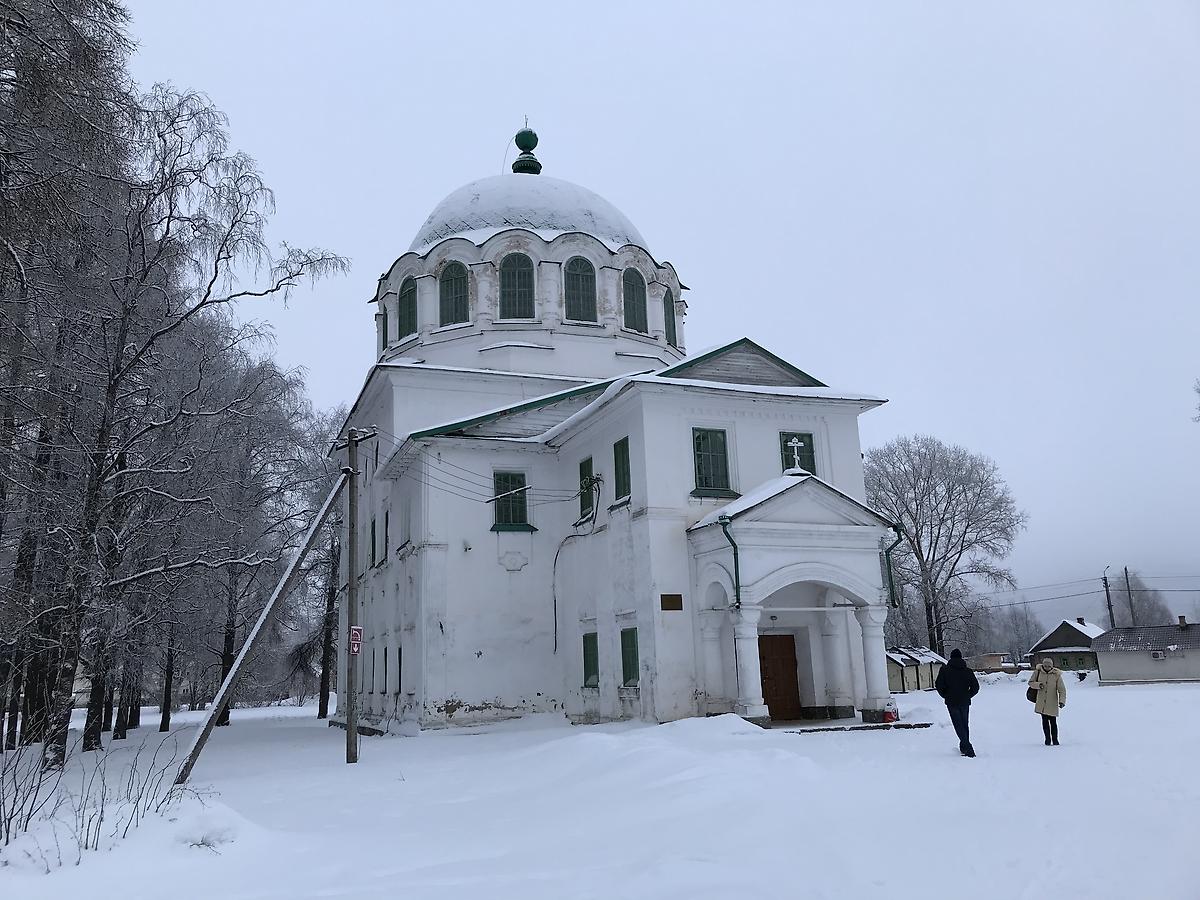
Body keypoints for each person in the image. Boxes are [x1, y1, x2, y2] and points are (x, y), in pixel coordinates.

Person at [934, 648, 980, 757]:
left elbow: (939, 685)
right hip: (964, 701)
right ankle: (964, 746)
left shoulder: (944, 670)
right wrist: (968, 695)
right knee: (964, 724)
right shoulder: (968, 671)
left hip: (951, 701)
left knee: (958, 724)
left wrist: (946, 695)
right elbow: (976, 687)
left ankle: (968, 748)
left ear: (951, 657)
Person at [1028, 656, 1067, 745]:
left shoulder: (1056, 675)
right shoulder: (1037, 672)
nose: (1047, 668)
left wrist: (1062, 701)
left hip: (1052, 702)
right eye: (1045, 666)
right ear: (1043, 665)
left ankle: (1055, 740)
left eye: (1049, 666)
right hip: (1041, 701)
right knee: (1045, 722)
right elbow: (1030, 683)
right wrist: (1038, 685)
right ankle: (1047, 740)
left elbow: (1062, 689)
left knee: (1053, 722)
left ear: (1052, 666)